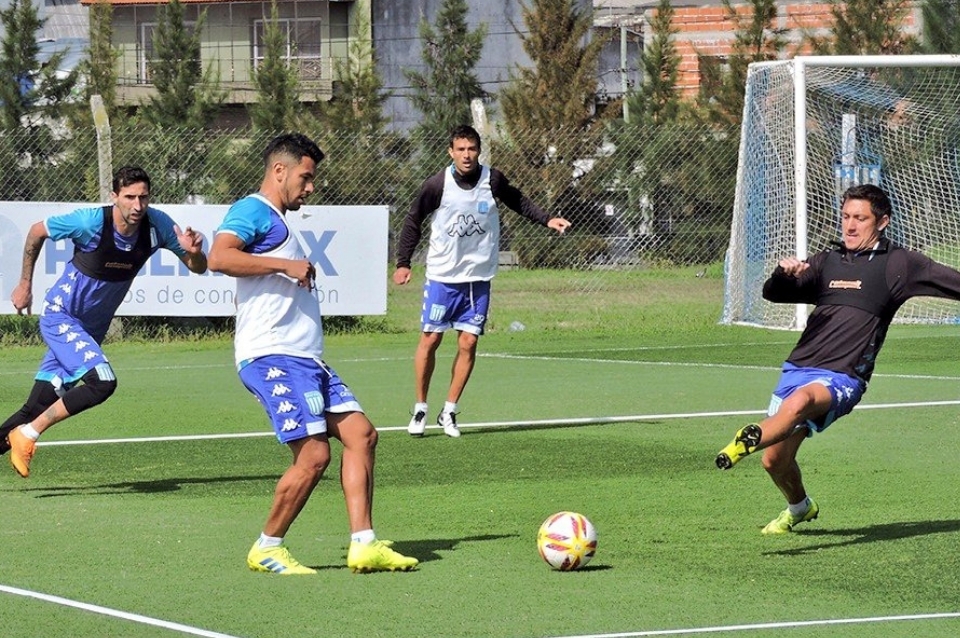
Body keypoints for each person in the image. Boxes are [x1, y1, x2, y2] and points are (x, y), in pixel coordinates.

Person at [208, 132, 418, 575]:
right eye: (305, 177)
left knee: (362, 435)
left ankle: (364, 544)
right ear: (278, 171)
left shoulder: (279, 221)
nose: (311, 186)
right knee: (314, 456)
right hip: (273, 355)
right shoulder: (253, 209)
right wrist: (285, 265)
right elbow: (220, 257)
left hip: (307, 359)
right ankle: (267, 546)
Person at [715, 183, 960, 534]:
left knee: (801, 401)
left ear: (883, 222)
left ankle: (743, 441)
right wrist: (783, 275)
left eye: (860, 218)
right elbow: (774, 294)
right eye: (845, 216)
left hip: (844, 376)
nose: (850, 225)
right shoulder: (828, 261)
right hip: (798, 368)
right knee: (774, 461)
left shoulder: (901, 264)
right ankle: (800, 507)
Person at [0, 166, 208, 477]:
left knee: (35, 407)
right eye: (129, 197)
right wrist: (25, 284)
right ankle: (28, 434)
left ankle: (24, 428)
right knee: (103, 381)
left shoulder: (158, 225)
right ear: (114, 196)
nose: (137, 205)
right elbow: (36, 230)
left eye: (143, 197)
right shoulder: (91, 222)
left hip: (88, 332)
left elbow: (198, 267)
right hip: (61, 317)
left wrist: (195, 253)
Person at [392, 124, 571, 438]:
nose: (466, 155)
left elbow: (517, 200)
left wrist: (546, 219)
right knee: (431, 340)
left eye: (471, 149)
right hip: (443, 277)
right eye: (460, 149)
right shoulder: (437, 184)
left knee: (469, 342)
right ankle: (420, 407)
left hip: (478, 278)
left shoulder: (493, 179)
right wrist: (403, 263)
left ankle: (449, 411)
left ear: (478, 151)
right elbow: (413, 220)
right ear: (450, 152)